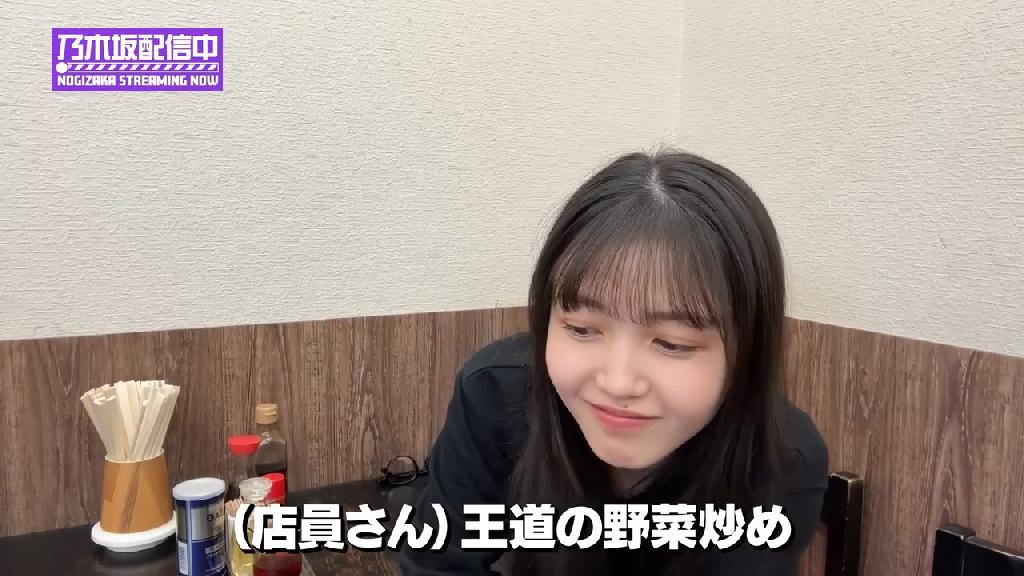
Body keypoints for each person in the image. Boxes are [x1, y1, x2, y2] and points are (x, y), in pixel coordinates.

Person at [396, 148, 828, 575]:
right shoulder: (495, 394)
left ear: (746, 352)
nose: (618, 382)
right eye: (582, 329)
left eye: (672, 343)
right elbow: (438, 564)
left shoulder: (783, 459)